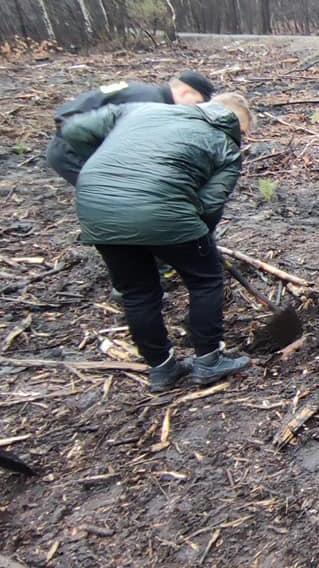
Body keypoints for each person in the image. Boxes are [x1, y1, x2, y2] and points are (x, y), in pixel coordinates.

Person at [58, 94, 253, 392]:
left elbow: (72, 130)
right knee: (206, 280)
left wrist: (106, 162)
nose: (242, 139)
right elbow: (210, 205)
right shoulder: (225, 144)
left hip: (98, 205)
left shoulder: (141, 110)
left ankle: (161, 369)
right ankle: (209, 360)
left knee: (136, 292)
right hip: (162, 208)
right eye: (244, 133)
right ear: (233, 123)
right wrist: (200, 239)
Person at [47, 71, 215, 185]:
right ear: (186, 93)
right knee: (113, 193)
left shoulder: (142, 91)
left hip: (69, 140)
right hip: (71, 150)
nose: (196, 110)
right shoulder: (151, 105)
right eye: (198, 103)